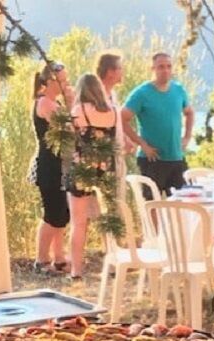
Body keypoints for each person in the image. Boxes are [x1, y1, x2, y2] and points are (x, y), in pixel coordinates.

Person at [66, 73, 118, 280]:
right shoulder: (113, 111)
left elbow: (69, 137)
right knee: (106, 219)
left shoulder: (78, 111)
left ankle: (76, 270)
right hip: (104, 169)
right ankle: (112, 264)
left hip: (82, 170)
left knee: (78, 223)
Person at [121, 53, 194, 195]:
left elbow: (189, 112)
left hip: (176, 157)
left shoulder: (178, 90)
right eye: (161, 67)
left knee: (185, 201)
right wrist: (142, 144)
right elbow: (122, 118)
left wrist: (187, 137)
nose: (165, 70)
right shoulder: (142, 93)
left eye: (169, 66)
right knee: (152, 203)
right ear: (152, 68)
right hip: (152, 159)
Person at [31, 62, 71, 274]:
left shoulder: (55, 103)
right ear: (49, 82)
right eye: (62, 80)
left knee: (61, 212)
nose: (66, 84)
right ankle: (42, 259)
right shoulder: (45, 104)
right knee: (53, 214)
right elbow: (68, 128)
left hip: (60, 165)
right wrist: (72, 103)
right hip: (49, 165)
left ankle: (59, 257)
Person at [95, 51, 130, 199]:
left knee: (118, 197)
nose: (122, 72)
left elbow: (116, 122)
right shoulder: (96, 96)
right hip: (103, 158)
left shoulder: (113, 94)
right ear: (110, 72)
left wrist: (125, 138)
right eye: (120, 68)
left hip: (117, 155)